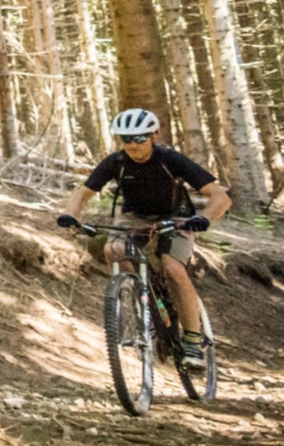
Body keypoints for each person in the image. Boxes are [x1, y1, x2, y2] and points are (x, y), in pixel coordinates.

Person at [56, 108, 232, 364]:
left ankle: (193, 340)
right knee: (112, 250)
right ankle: (142, 304)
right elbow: (82, 193)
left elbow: (220, 197)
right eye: (126, 139)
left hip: (176, 217)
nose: (133, 145)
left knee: (173, 269)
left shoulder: (170, 160)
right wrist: (71, 215)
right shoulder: (115, 162)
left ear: (153, 136)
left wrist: (203, 218)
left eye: (139, 138)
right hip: (134, 217)